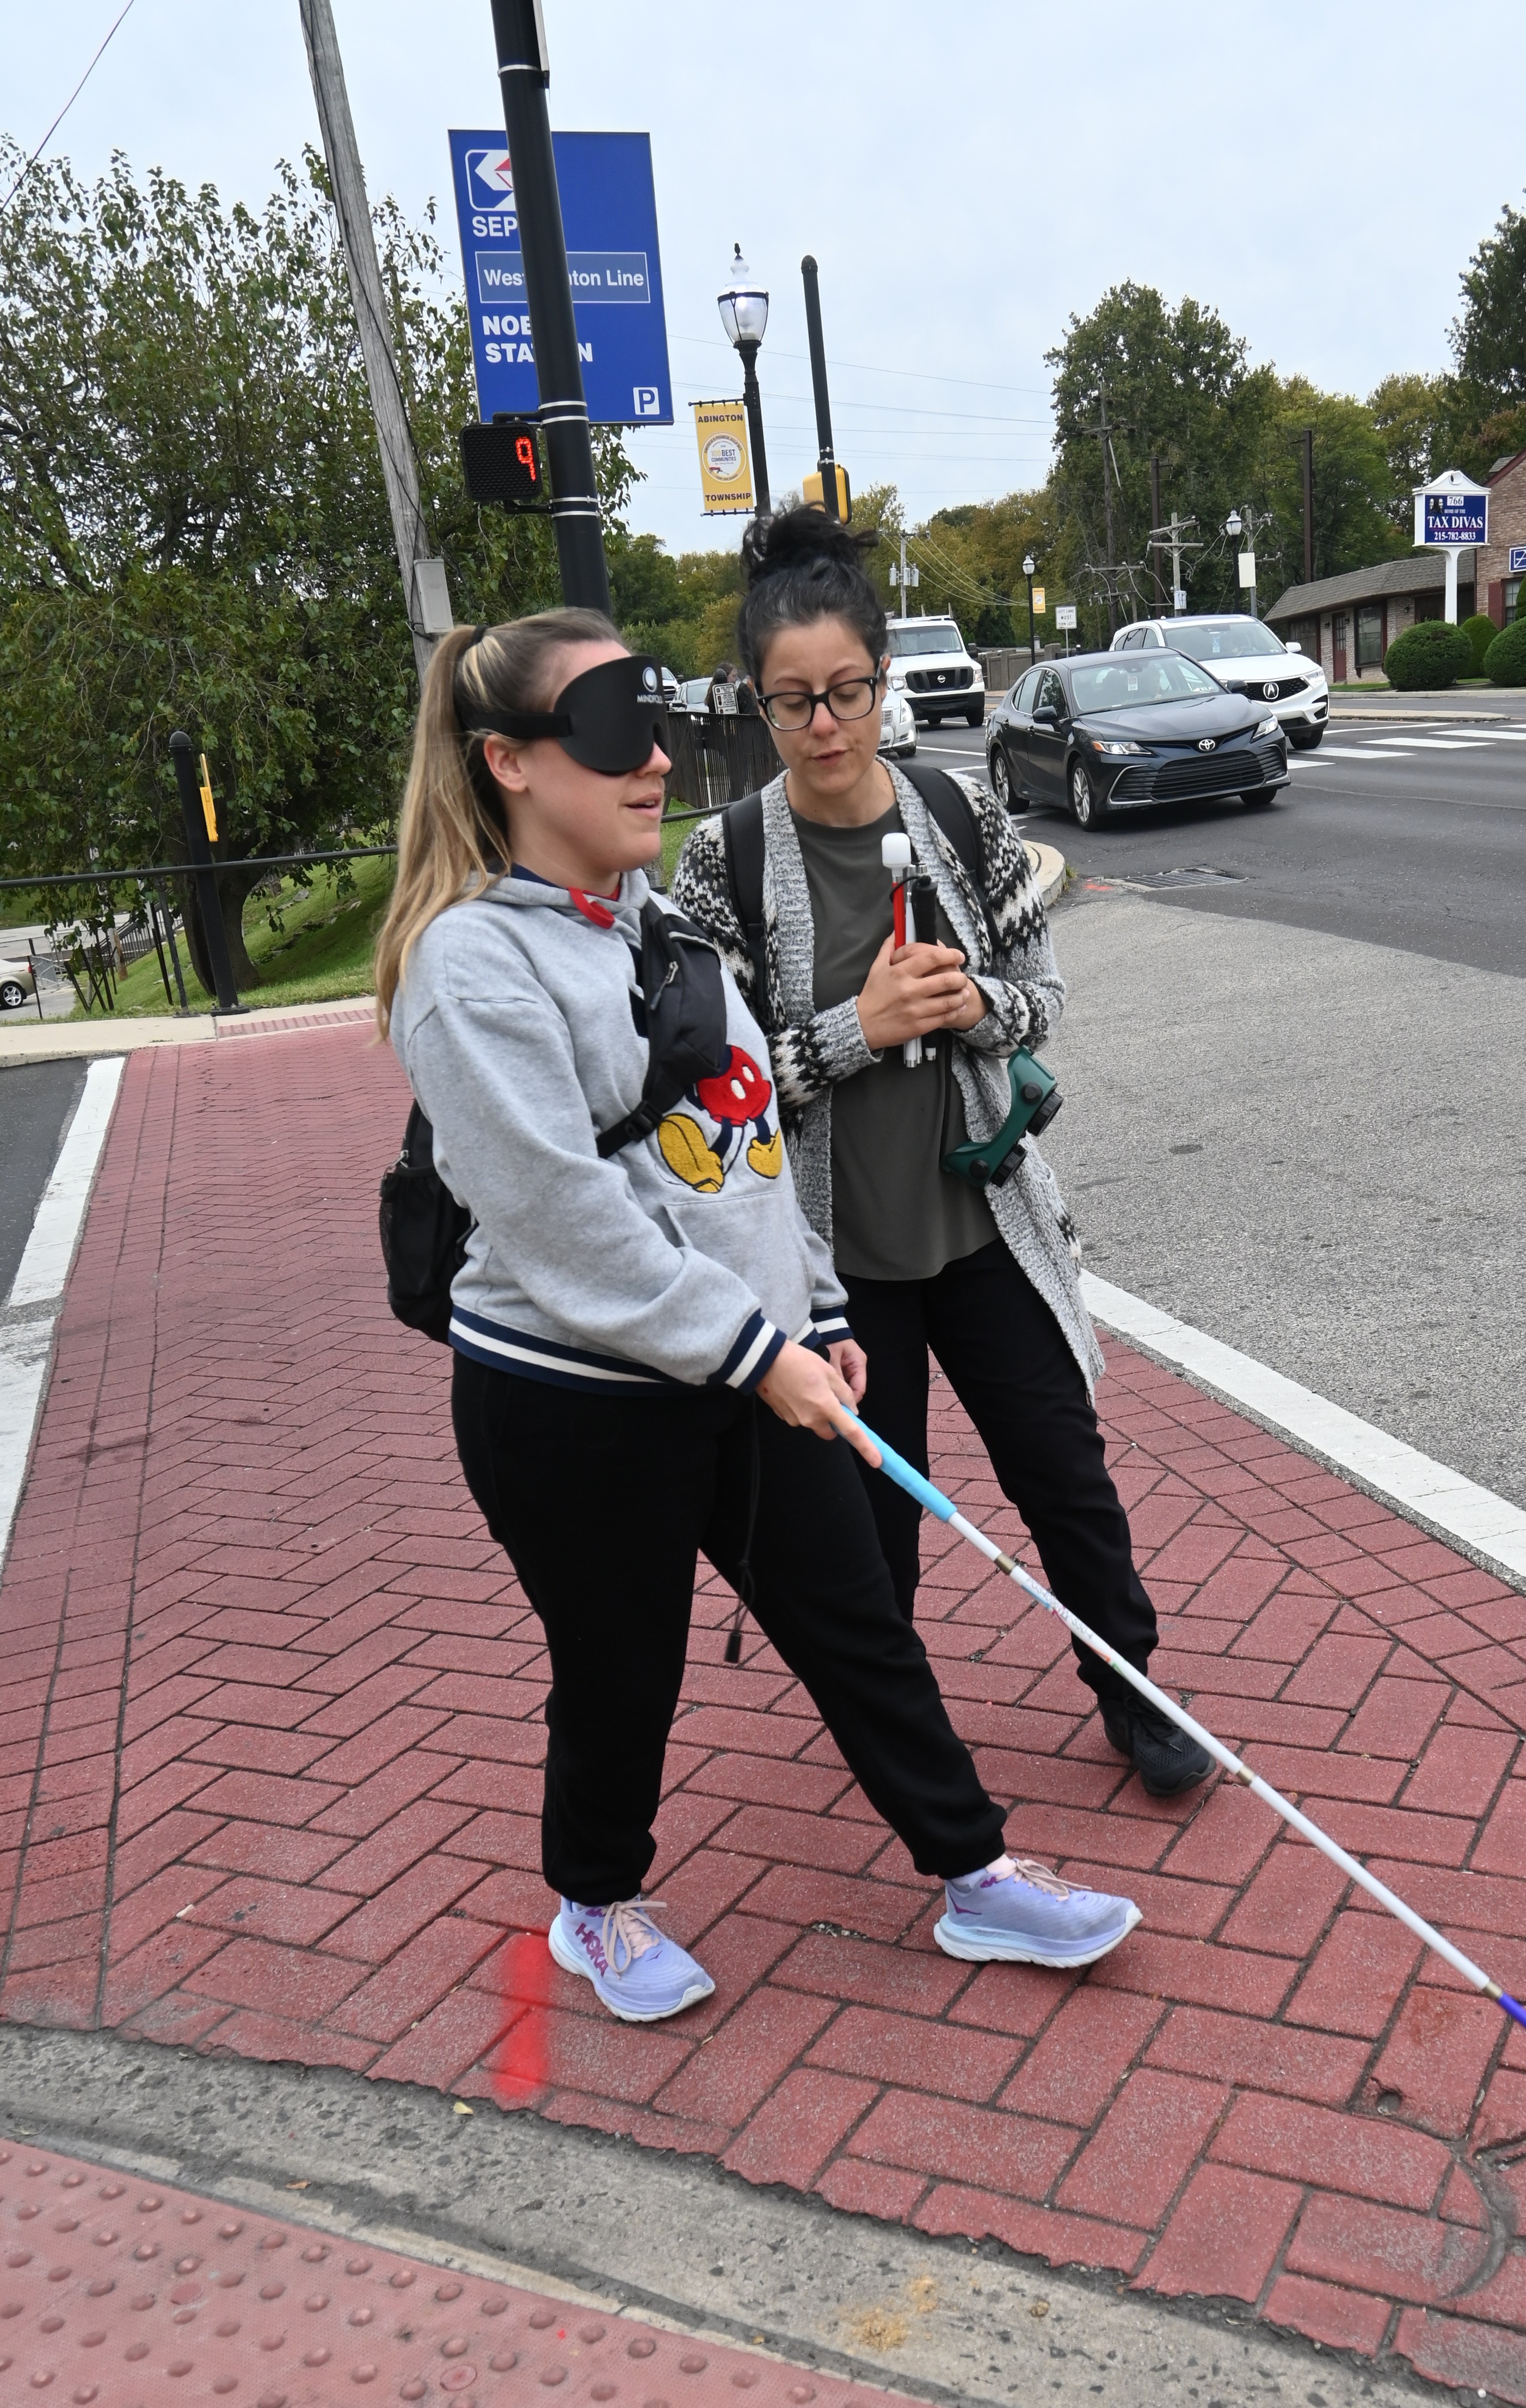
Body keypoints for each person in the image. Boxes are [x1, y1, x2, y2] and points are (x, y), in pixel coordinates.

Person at [373, 606, 1142, 2025]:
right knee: (623, 1671)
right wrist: (753, 1351)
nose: (656, 759)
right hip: (574, 1402)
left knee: (860, 1625)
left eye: (653, 717)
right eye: (609, 731)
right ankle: (594, 1906)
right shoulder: (470, 967)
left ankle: (975, 1876)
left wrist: (820, 1306)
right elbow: (559, 1223)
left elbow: (752, 1151)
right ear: (510, 762)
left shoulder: (666, 930)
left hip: (750, 1363)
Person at [672, 509, 1209, 1798]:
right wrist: (853, 1032)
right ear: (759, 702)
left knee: (1063, 1478)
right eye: (791, 701)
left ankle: (1128, 1687)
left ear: (881, 681)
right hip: (838, 1267)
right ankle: (909, 1748)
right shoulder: (722, 862)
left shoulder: (958, 814)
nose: (823, 725)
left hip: (985, 1227)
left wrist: (977, 1008)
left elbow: (1042, 999)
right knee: (874, 1528)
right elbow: (718, 1104)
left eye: (847, 691)